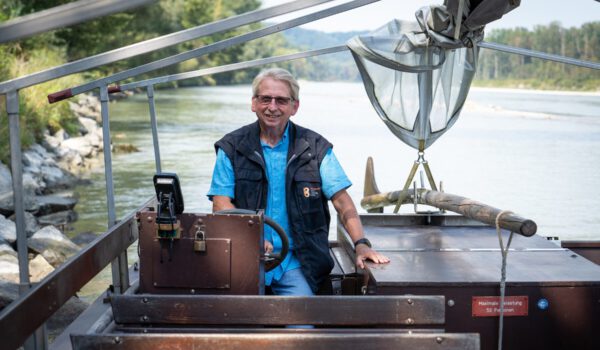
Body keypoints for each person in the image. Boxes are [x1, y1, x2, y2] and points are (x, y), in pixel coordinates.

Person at [207, 68, 389, 296]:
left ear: (295, 107)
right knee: (241, 322)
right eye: (265, 99)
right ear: (254, 103)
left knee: (302, 326)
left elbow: (343, 203)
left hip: (297, 262)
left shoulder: (315, 148)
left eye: (281, 100)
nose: (272, 107)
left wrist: (361, 244)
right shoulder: (231, 147)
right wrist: (252, 235)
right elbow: (221, 205)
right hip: (244, 258)